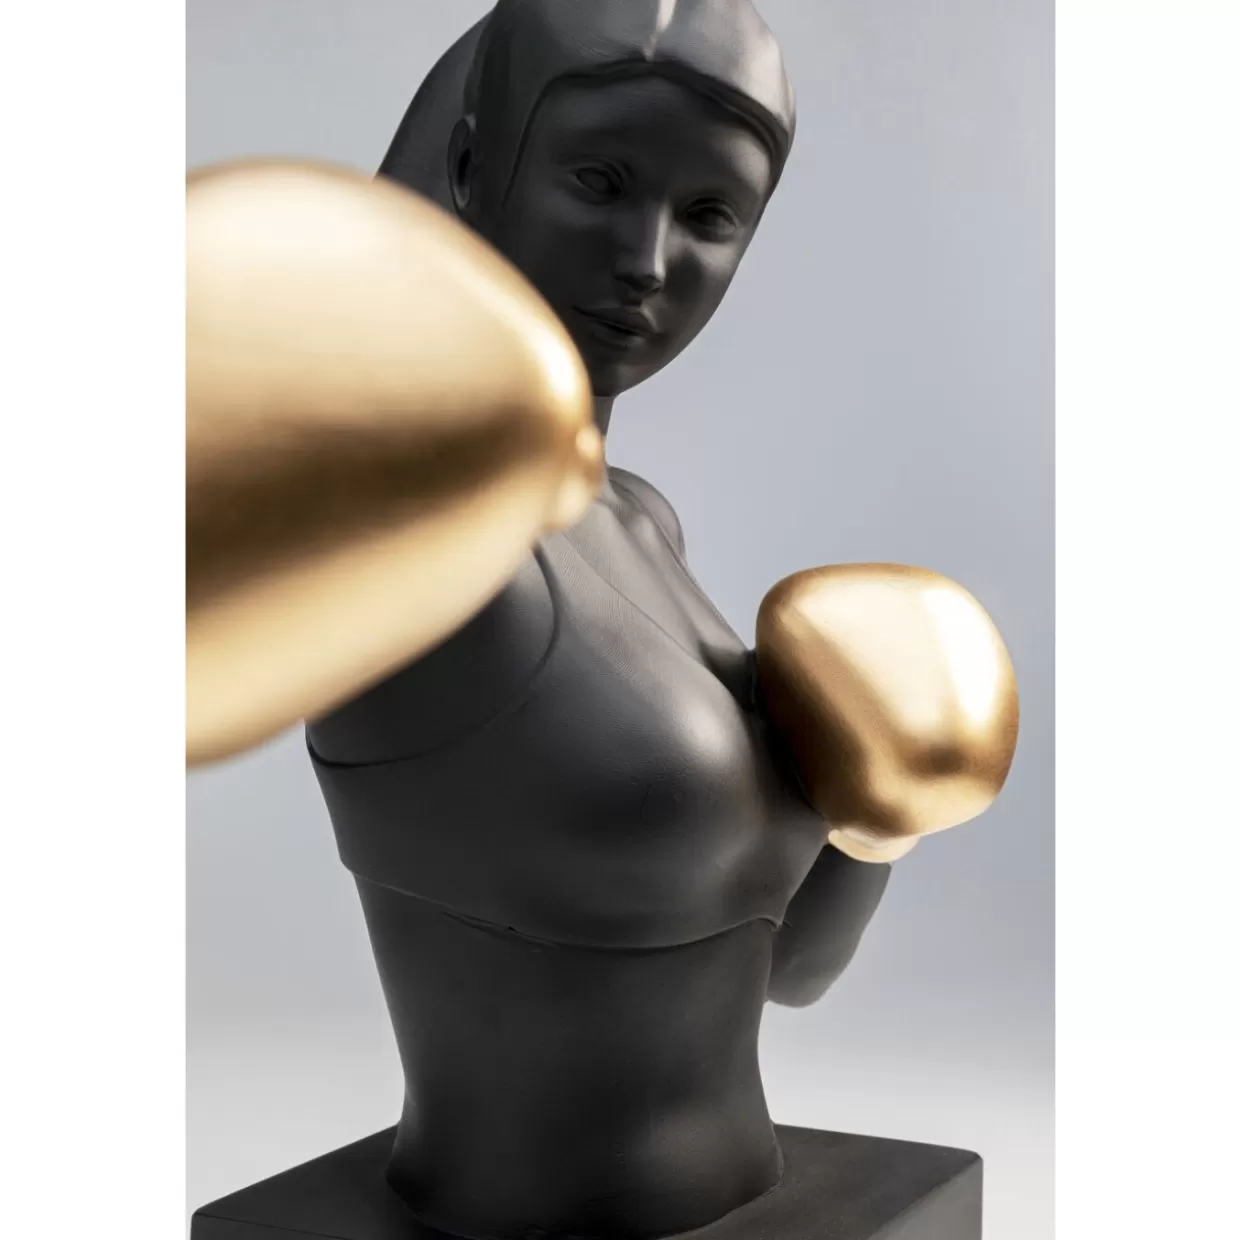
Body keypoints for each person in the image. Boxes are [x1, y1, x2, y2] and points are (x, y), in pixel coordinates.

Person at [304, 3, 897, 1236]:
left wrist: (885, 804)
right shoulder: (413, 554)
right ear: (473, 163)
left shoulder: (640, 522)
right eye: (599, 181)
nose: (647, 259)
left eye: (710, 215)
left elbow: (787, 966)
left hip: (741, 1192)